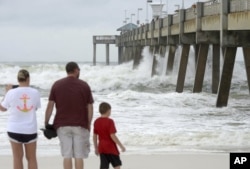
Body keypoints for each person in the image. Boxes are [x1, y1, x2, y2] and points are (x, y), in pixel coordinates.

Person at [44, 61, 94, 169]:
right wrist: (89, 123)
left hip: (62, 125)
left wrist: (46, 122)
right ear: (76, 70)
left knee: (66, 155)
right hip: (80, 124)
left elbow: (50, 106)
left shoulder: (57, 84)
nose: (79, 71)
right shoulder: (84, 85)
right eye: (79, 69)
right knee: (79, 155)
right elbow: (90, 107)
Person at [0, 69, 41, 169]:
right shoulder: (35, 92)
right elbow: (35, 108)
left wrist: (7, 93)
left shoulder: (11, 93)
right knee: (31, 158)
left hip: (14, 129)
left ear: (18, 80)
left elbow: (2, 108)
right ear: (28, 79)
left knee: (17, 158)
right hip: (30, 129)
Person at [93, 102, 126, 169]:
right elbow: (112, 135)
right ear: (108, 111)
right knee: (117, 165)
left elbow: (94, 136)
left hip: (101, 147)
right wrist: (121, 146)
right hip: (110, 147)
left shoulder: (96, 121)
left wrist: (96, 148)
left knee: (104, 167)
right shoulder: (110, 121)